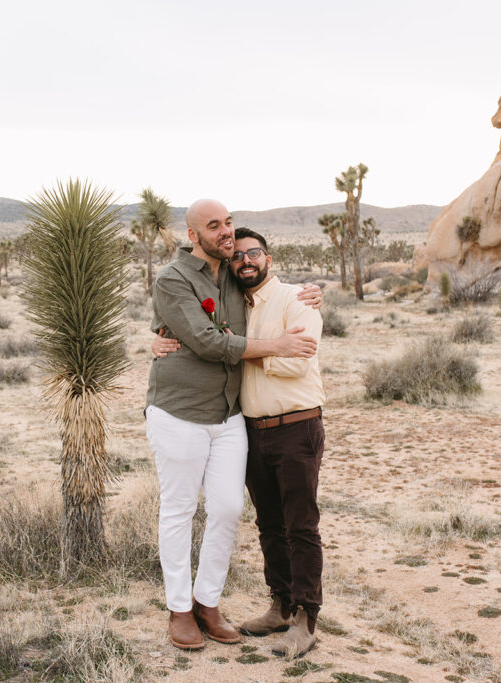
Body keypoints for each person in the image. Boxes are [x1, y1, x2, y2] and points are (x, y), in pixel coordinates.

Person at [145, 199, 322, 651]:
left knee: (226, 509)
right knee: (180, 509)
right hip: (181, 411)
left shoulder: (233, 274)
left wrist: (314, 293)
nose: (226, 233)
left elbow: (272, 297)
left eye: (228, 223)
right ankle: (180, 609)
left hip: (228, 417)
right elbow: (203, 341)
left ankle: (208, 603)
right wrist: (276, 345)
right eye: (214, 226)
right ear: (193, 234)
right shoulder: (172, 278)